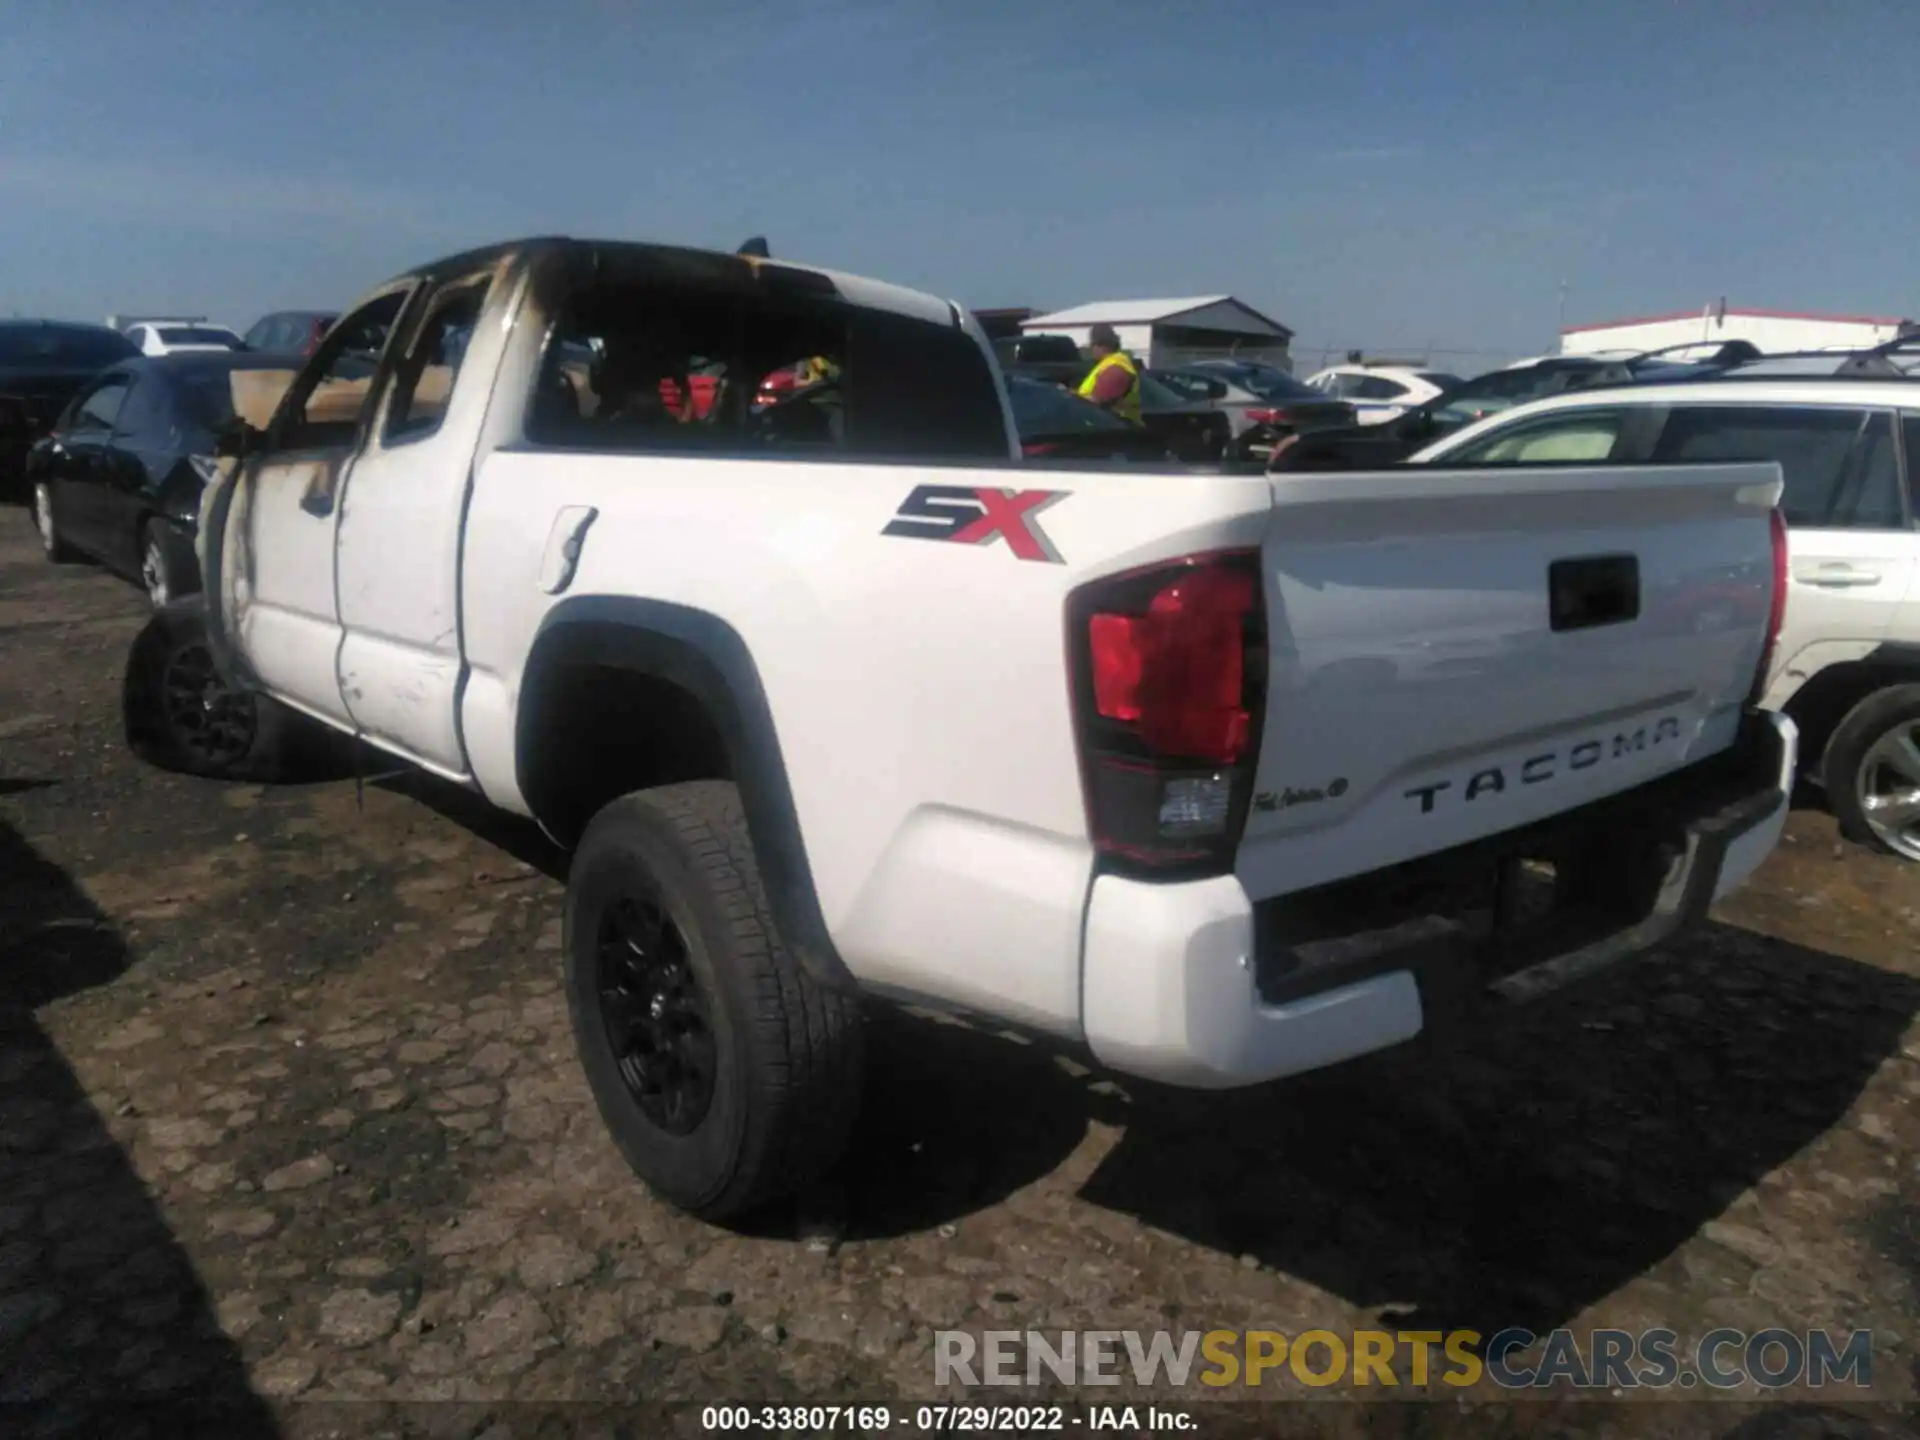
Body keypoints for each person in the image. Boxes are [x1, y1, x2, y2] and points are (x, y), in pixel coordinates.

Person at [1077, 323, 1141, 424]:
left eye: (1092, 345)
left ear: (1101, 345)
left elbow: (1098, 401)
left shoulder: (1117, 368)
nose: (1091, 349)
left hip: (1118, 430)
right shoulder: (1107, 364)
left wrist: (1071, 400)